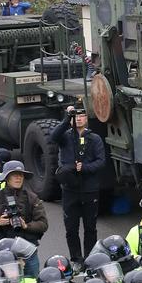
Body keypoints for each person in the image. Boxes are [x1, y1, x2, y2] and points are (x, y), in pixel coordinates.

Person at [50, 104, 105, 272]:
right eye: (76, 116)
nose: (79, 119)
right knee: (71, 228)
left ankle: (90, 258)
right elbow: (54, 135)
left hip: (89, 189)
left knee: (90, 227)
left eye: (82, 116)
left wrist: (85, 167)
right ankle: (76, 259)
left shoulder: (94, 138)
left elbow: (101, 161)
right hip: (70, 189)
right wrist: (67, 118)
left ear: (86, 119)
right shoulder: (66, 136)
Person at [0, 161, 48, 278]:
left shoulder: (32, 198)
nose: (18, 177)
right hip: (3, 253)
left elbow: (43, 224)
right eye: (14, 174)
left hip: (28, 251)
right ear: (6, 177)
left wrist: (27, 226)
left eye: (21, 174)